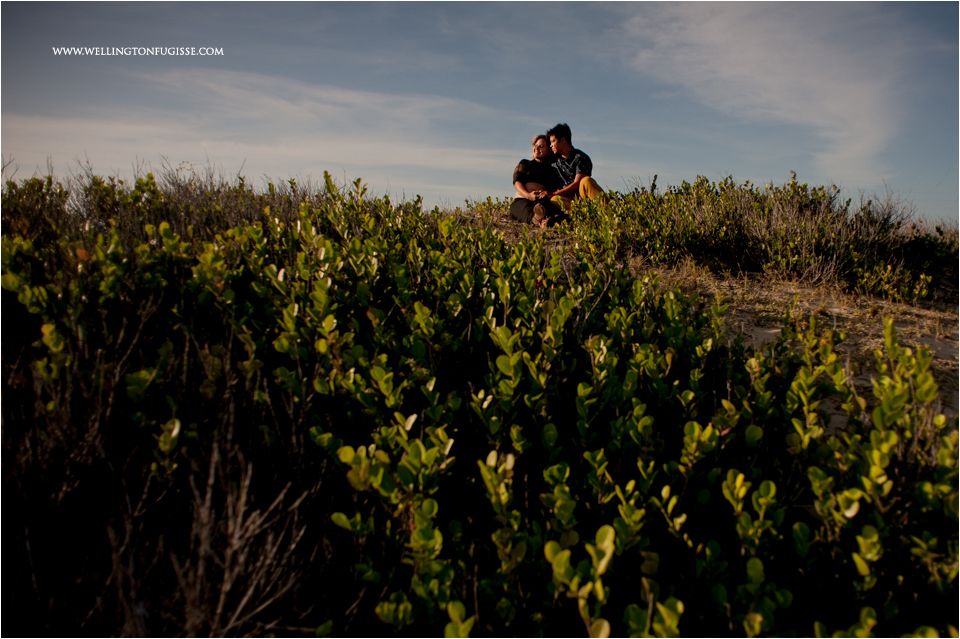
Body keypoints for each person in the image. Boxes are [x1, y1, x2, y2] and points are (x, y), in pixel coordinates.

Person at [545, 123, 605, 211]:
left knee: (586, 181)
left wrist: (553, 193)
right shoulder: (554, 161)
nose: (551, 145)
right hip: (568, 200)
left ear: (562, 140)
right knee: (555, 200)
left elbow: (576, 184)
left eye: (553, 141)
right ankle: (581, 216)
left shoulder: (581, 157)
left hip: (583, 197)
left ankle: (608, 212)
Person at [509, 134, 566, 228]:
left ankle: (544, 219)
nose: (536, 148)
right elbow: (516, 181)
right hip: (523, 198)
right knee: (524, 210)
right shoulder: (525, 163)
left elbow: (556, 188)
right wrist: (528, 195)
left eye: (541, 146)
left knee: (544, 207)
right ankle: (538, 220)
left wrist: (547, 194)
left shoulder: (552, 169)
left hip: (541, 199)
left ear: (548, 151)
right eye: (535, 146)